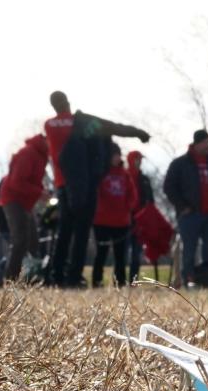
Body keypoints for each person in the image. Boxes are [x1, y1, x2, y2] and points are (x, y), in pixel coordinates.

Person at [46, 91, 150, 287]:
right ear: (67, 102)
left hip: (63, 185)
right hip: (87, 185)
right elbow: (114, 128)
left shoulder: (49, 126)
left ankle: (57, 275)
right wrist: (138, 133)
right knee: (81, 233)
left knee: (64, 232)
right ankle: (74, 277)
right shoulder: (84, 122)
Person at [163, 129, 208, 285]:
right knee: (189, 250)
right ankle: (188, 280)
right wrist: (182, 206)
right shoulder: (180, 164)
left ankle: (207, 280)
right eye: (205, 143)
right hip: (189, 215)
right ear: (197, 143)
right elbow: (169, 187)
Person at [0, 135, 49, 281]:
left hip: (25, 203)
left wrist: (41, 192)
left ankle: (29, 277)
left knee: (32, 241)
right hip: (13, 199)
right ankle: (10, 279)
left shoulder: (41, 156)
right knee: (20, 240)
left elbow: (32, 180)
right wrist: (39, 192)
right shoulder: (28, 153)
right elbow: (16, 182)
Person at [92, 144, 137, 286]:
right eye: (113, 155)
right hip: (102, 220)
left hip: (121, 221)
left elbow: (132, 195)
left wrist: (128, 207)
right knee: (101, 253)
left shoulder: (125, 174)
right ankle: (97, 280)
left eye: (118, 154)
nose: (117, 158)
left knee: (120, 255)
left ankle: (120, 282)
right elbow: (95, 194)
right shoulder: (100, 173)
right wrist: (102, 207)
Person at [126, 151, 154, 282]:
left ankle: (133, 280)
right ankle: (120, 280)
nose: (139, 161)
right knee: (122, 251)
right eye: (137, 159)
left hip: (140, 220)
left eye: (140, 159)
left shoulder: (144, 179)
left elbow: (150, 200)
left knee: (136, 253)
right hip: (125, 219)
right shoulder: (125, 176)